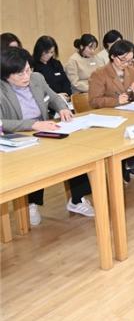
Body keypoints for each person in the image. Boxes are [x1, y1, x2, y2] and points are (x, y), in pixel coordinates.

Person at [0, 48, 95, 224]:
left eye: (28, 70)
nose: (26, 76)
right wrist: (32, 125)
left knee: (75, 153)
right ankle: (32, 203)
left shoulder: (37, 78)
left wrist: (63, 108)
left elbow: (53, 97)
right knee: (34, 161)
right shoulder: (1, 89)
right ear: (6, 75)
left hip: (44, 129)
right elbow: (1, 122)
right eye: (20, 74)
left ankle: (77, 199)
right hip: (18, 138)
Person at [89, 40, 134, 181]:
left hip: (129, 114)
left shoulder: (132, 71)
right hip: (109, 118)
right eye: (123, 60)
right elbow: (94, 101)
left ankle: (131, 162)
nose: (126, 64)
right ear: (113, 56)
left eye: (130, 60)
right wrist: (116, 101)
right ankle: (125, 164)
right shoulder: (99, 74)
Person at [32, 35, 72, 102]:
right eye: (46, 52)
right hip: (48, 102)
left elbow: (65, 81)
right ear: (39, 50)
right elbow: (39, 90)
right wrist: (57, 96)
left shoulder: (56, 63)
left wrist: (67, 95)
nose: (49, 55)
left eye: (52, 52)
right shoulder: (33, 66)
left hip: (64, 100)